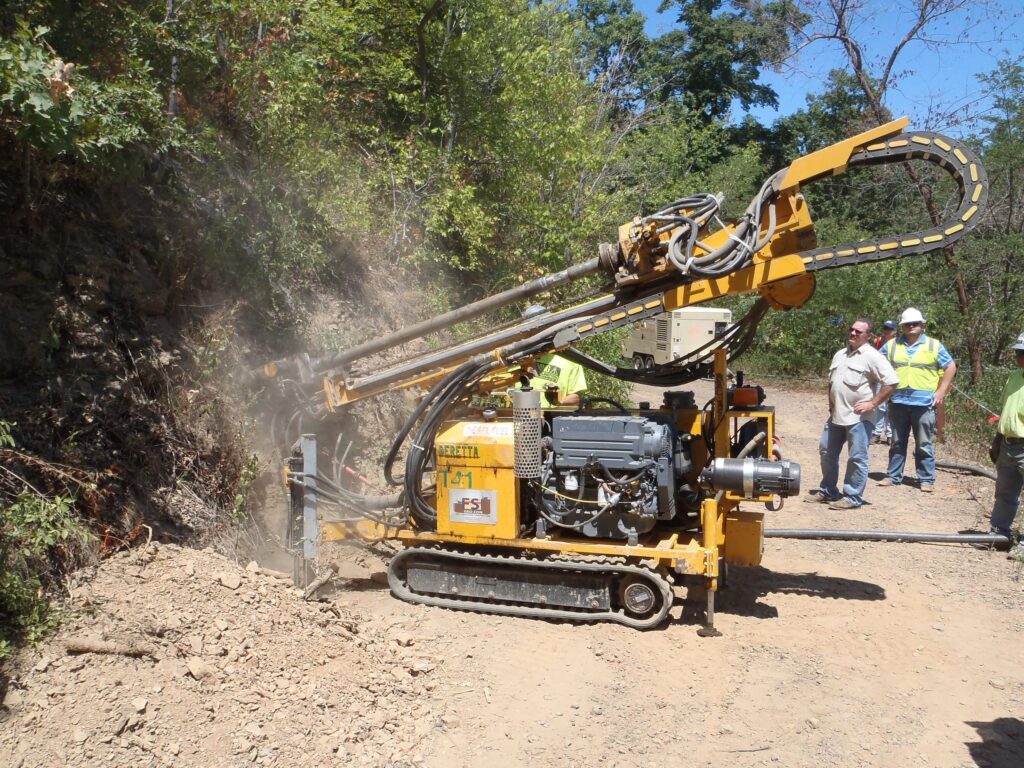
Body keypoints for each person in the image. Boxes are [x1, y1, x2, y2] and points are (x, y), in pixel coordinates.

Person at [805, 318, 898, 510]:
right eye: (852, 330)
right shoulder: (840, 354)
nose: (853, 334)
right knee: (826, 452)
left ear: (869, 336)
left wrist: (873, 403)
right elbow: (832, 383)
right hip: (837, 415)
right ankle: (828, 490)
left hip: (859, 419)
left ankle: (852, 496)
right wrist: (831, 404)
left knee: (857, 458)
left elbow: (891, 382)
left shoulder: (873, 356)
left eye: (859, 332)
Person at [878, 308, 957, 493]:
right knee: (897, 441)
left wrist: (941, 391)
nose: (911, 326)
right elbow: (876, 362)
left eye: (915, 323)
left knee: (923, 443)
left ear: (922, 325)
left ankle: (926, 479)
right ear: (902, 327)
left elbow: (950, 366)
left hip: (923, 405)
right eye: (907, 324)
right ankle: (893, 476)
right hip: (897, 402)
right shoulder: (891, 345)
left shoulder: (933, 345)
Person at [989, 332, 1024, 547]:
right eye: (1017, 352)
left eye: (1021, 353)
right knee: (1004, 492)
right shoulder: (1014, 377)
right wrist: (997, 440)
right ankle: (998, 534)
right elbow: (1006, 411)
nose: (1017, 357)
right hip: (1008, 445)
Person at [524, 352, 588, 406]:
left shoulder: (571, 362)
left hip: (552, 416)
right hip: (521, 413)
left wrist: (558, 402)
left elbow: (576, 397)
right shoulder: (521, 359)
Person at [871, 320, 898, 444]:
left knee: (891, 407)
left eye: (890, 329)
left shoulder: (899, 344)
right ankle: (877, 433)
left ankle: (890, 435)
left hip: (894, 378)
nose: (887, 331)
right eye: (885, 328)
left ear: (895, 331)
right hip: (881, 378)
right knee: (880, 406)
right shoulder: (878, 342)